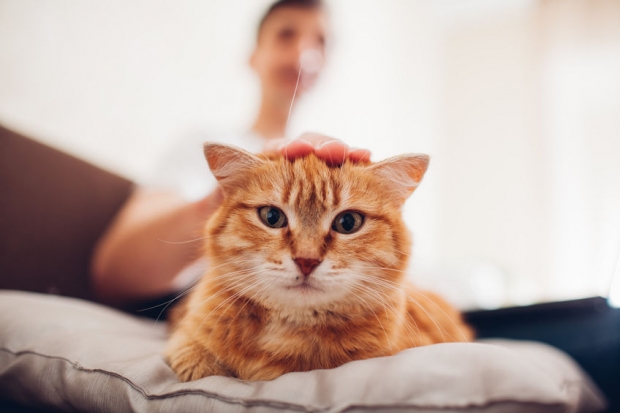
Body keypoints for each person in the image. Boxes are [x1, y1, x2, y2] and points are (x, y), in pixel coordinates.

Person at [90, 0, 370, 306]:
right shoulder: (207, 143)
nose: (305, 53)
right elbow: (114, 274)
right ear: (253, 57)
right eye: (286, 34)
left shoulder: (338, 165)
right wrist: (225, 201)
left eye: (320, 41)